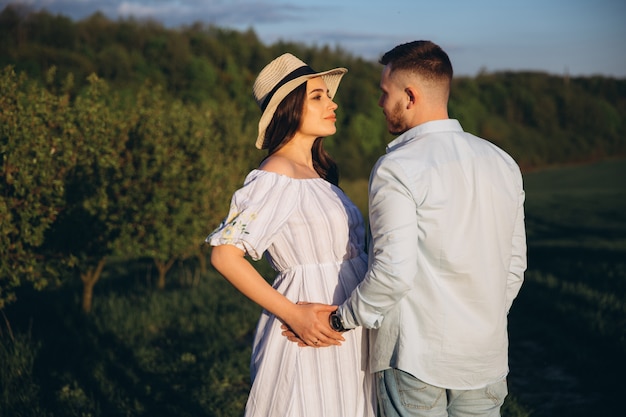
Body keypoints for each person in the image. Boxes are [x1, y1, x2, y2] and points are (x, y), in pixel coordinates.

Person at [285, 40, 527, 417]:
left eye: (385, 93)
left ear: (410, 96)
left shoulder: (398, 167)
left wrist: (337, 320)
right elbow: (513, 267)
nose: (380, 103)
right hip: (484, 358)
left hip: (414, 359)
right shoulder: (503, 163)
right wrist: (480, 319)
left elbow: (393, 272)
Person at [206, 53, 376, 417]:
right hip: (308, 326)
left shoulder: (318, 172)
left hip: (346, 322)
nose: (333, 103)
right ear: (289, 109)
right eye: (317, 96)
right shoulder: (276, 173)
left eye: (327, 95)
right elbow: (224, 255)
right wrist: (294, 316)